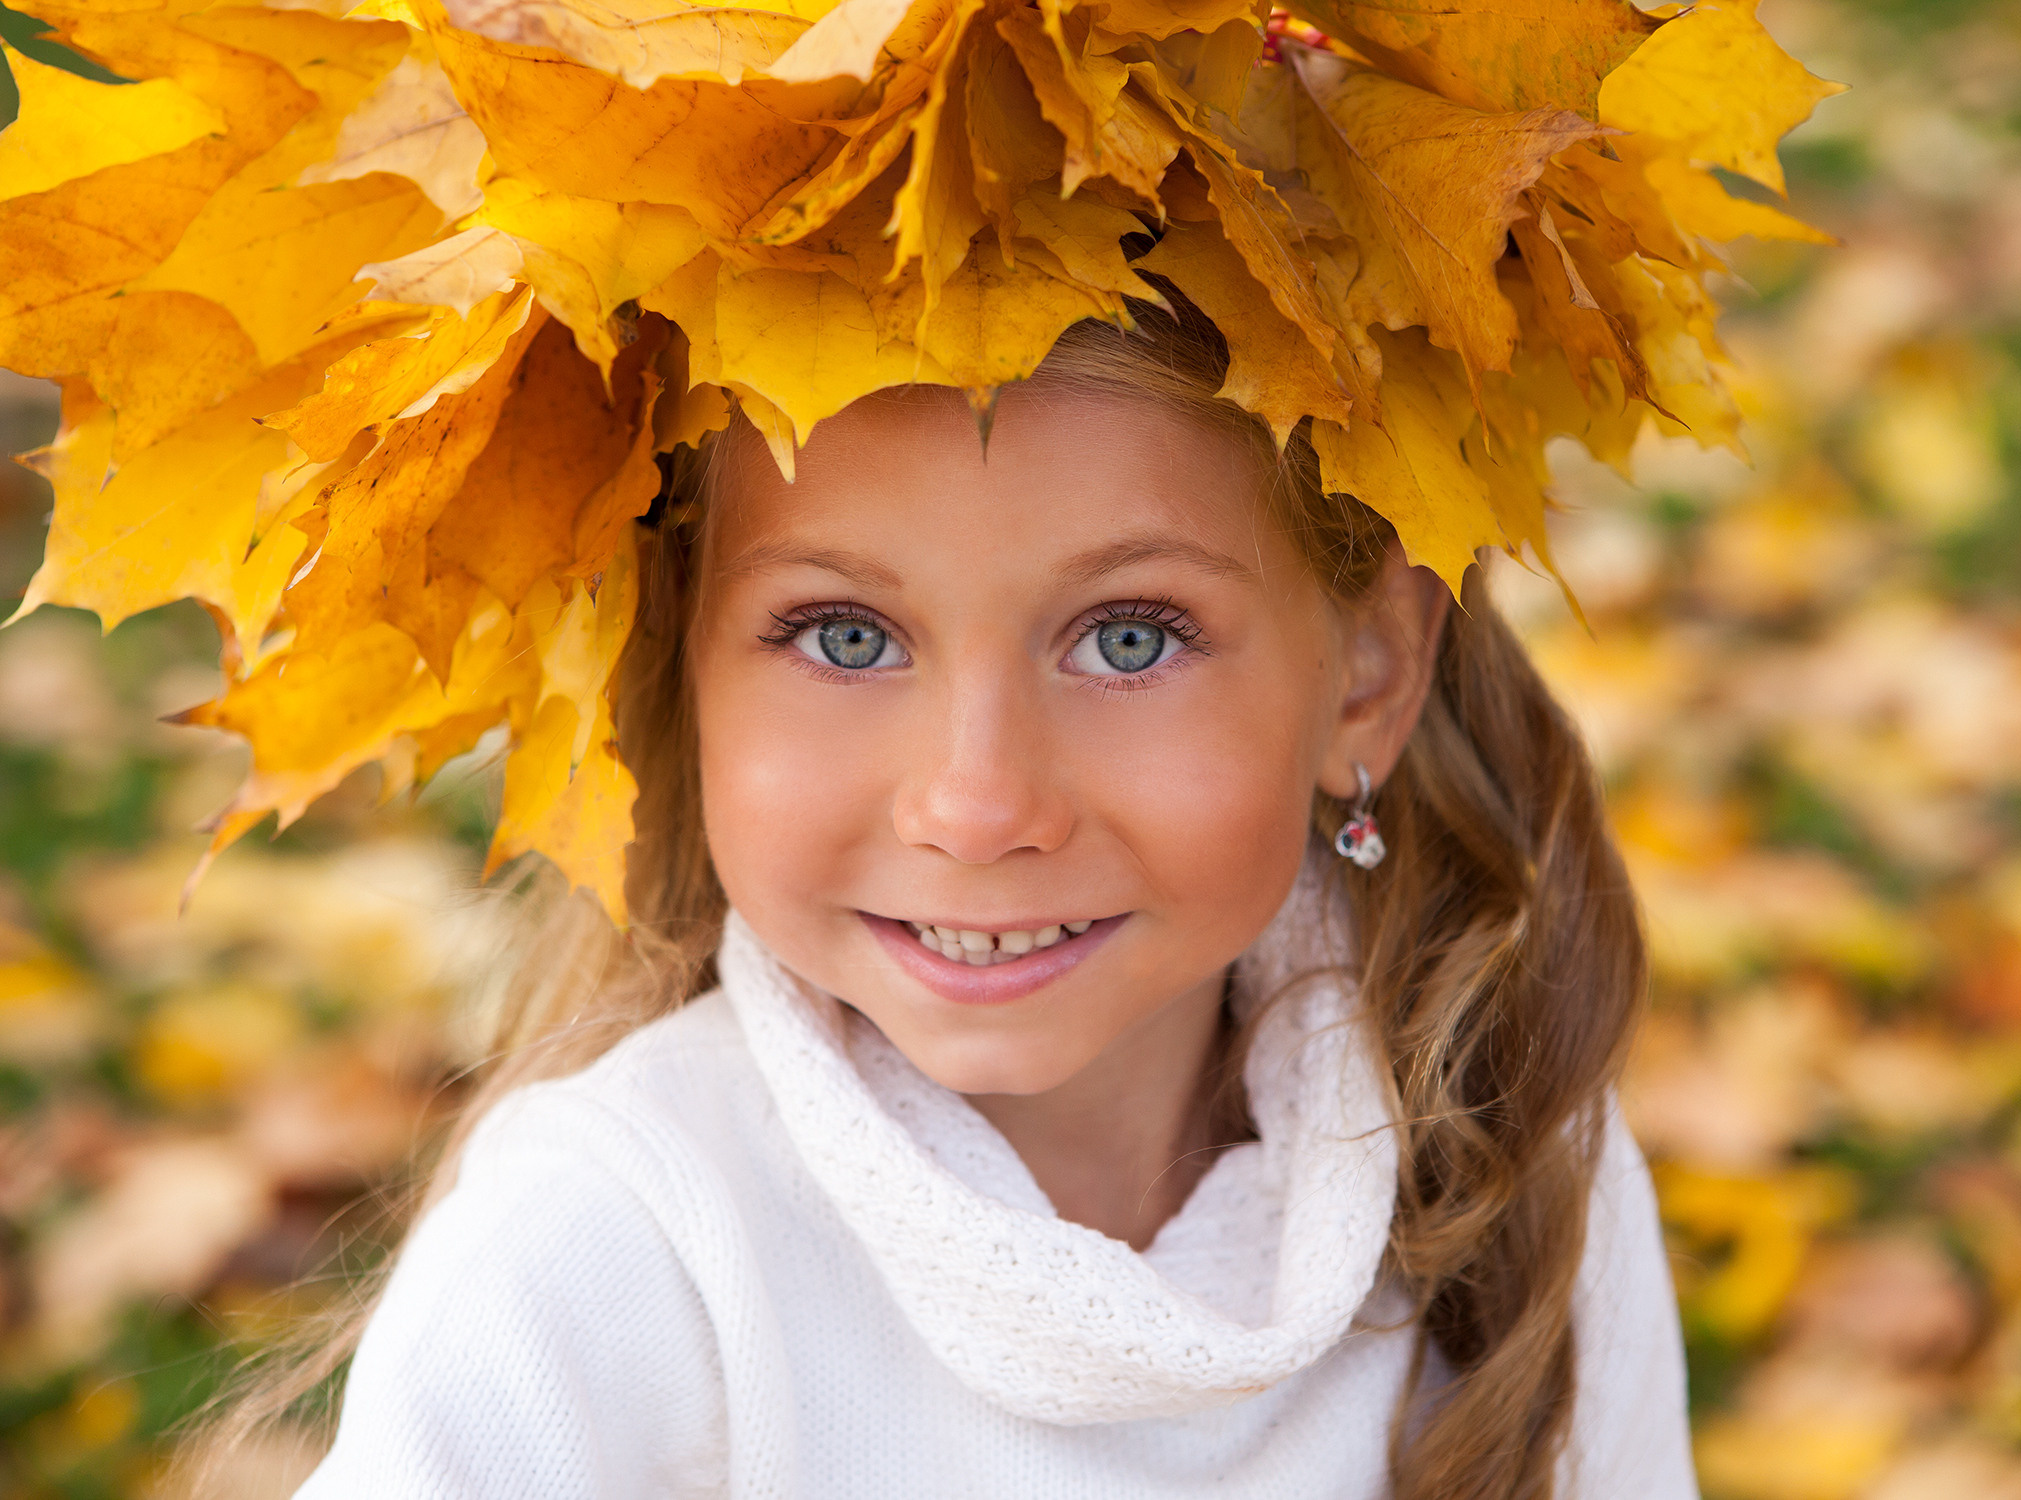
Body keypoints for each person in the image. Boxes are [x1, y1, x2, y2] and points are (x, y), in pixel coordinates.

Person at [0, 1, 1841, 1493]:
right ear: (676, 663)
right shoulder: (620, 1247)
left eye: (1128, 638)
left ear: (1368, 670)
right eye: (843, 636)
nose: (977, 801)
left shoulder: (1506, 1161)